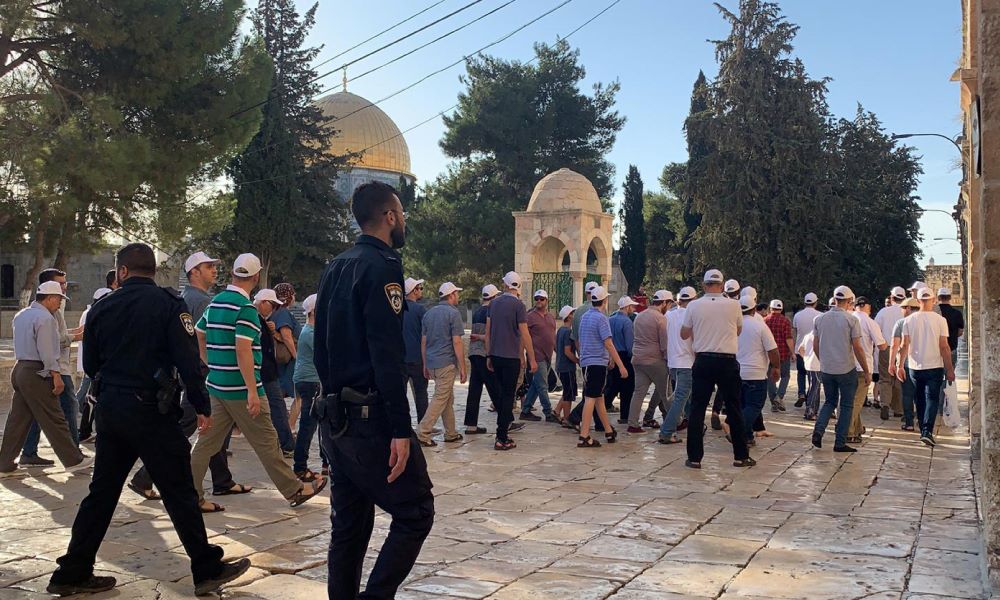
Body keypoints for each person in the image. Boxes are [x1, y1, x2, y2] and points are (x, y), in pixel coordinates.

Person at [46, 243, 249, 596]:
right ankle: (206, 568)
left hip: (111, 410)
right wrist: (201, 406)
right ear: (152, 271)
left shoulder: (101, 308)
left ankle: (72, 571)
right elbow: (188, 362)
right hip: (152, 411)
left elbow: (91, 365)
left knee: (102, 493)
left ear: (122, 271)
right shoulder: (170, 306)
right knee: (180, 491)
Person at [314, 181, 434, 599]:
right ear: (389, 216)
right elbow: (386, 351)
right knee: (416, 513)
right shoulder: (382, 264)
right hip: (369, 420)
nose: (403, 220)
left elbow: (324, 346)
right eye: (400, 213)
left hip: (334, 420)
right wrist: (400, 429)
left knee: (348, 528)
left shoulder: (335, 266)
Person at [189, 254, 326, 512]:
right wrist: (252, 390)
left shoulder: (216, 302)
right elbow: (243, 350)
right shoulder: (245, 309)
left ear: (233, 275)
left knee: (205, 443)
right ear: (255, 277)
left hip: (217, 387)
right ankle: (294, 490)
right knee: (268, 443)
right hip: (242, 390)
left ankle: (191, 496)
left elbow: (200, 332)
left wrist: (211, 362)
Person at [128, 253, 249, 501]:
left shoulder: (187, 298)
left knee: (213, 427)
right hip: (201, 374)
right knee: (186, 426)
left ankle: (222, 479)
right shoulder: (202, 302)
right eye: (208, 267)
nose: (214, 270)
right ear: (194, 271)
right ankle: (144, 477)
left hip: (193, 373)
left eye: (215, 266)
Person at [0, 281, 90, 476]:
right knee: (54, 417)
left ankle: (4, 464)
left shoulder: (21, 315)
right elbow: (47, 351)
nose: (60, 303)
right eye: (58, 299)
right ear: (50, 298)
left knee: (17, 419)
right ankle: (73, 460)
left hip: (20, 368)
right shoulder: (46, 318)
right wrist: (55, 375)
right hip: (37, 371)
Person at [681, 270, 753, 468]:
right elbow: (738, 330)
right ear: (721, 286)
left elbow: (684, 334)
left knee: (697, 408)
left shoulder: (694, 305)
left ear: (704, 286)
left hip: (703, 360)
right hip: (727, 360)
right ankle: (741, 455)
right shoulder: (733, 305)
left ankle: (694, 458)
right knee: (734, 407)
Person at [21, 268, 80, 466]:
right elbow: (51, 344)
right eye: (60, 285)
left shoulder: (30, 313)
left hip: (36, 369)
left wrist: (73, 333)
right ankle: (74, 454)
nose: (64, 291)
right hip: (54, 368)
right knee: (66, 412)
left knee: (33, 414)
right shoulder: (47, 314)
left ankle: (26, 453)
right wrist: (77, 336)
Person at [811, 286, 871, 453]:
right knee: (846, 405)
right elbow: (858, 348)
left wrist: (823, 360)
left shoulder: (820, 319)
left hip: (827, 368)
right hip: (846, 368)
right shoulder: (851, 320)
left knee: (829, 402)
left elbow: (815, 344)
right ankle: (840, 442)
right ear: (850, 301)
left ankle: (818, 431)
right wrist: (866, 370)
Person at [486, 271, 537, 451]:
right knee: (509, 395)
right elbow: (524, 333)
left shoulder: (494, 303)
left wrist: (489, 354)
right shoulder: (519, 306)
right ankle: (502, 436)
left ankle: (502, 430)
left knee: (501, 394)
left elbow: (489, 331)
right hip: (511, 357)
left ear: (505, 285)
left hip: (496, 355)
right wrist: (531, 358)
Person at [898, 287, 955, 446]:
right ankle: (927, 430)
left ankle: (923, 427)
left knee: (919, 398)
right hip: (934, 365)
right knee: (932, 398)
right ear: (933, 300)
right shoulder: (940, 320)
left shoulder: (908, 320)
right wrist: (949, 368)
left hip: (915, 366)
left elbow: (904, 345)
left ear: (918, 300)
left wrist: (900, 365)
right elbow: (944, 346)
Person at [417, 282, 467, 447]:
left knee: (447, 398)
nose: (458, 296)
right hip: (446, 362)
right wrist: (463, 367)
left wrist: (425, 364)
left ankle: (451, 433)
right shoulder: (453, 314)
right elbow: (457, 342)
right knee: (440, 398)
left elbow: (423, 342)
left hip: (432, 362)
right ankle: (423, 432)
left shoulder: (429, 314)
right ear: (451, 295)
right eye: (457, 293)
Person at [577, 286, 626, 447]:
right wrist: (621, 366)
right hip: (597, 363)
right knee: (591, 398)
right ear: (605, 301)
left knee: (599, 398)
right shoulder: (601, 318)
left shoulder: (585, 316)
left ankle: (608, 431)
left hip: (586, 363)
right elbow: (609, 343)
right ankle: (584, 435)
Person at [255, 289, 296, 455]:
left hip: (265, 372)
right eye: (272, 305)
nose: (273, 310)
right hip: (264, 373)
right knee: (277, 407)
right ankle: (287, 445)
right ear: (263, 303)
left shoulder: (262, 320)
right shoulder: (254, 319)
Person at [736, 295, 781, 446]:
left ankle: (747, 437)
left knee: (743, 405)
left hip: (736, 372)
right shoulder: (760, 326)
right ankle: (736, 428)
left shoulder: (732, 326)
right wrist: (776, 367)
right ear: (754, 309)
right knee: (754, 406)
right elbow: (773, 350)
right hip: (756, 373)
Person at [292, 293, 327, 480]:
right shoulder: (310, 333)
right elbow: (326, 355)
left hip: (310, 381)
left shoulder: (311, 331)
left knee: (321, 422)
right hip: (310, 382)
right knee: (308, 425)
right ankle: (300, 466)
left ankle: (325, 461)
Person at [627, 290, 671, 433]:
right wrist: (668, 360)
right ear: (664, 303)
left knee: (638, 392)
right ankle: (675, 421)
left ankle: (633, 423)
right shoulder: (660, 319)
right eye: (669, 304)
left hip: (638, 359)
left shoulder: (640, 316)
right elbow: (664, 344)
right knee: (666, 393)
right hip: (655, 360)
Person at [846, 297, 887, 443]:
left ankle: (857, 429)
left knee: (850, 399)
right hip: (862, 366)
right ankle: (848, 432)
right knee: (857, 402)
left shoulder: (848, 318)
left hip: (846, 365)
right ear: (866, 306)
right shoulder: (869, 322)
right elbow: (881, 345)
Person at [659, 286, 696, 444]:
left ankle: (693, 424)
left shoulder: (669, 315)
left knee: (683, 396)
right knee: (681, 398)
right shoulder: (692, 316)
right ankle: (667, 431)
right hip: (687, 362)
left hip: (673, 362)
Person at [77, 287, 113, 443]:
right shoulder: (97, 315)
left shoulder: (96, 313)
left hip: (97, 367)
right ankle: (86, 432)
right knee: (92, 400)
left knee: (92, 399)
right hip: (99, 368)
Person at [465, 284, 501, 435]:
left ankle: (471, 425)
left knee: (474, 389)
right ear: (493, 297)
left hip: (473, 353)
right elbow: (489, 336)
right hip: (484, 354)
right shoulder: (491, 312)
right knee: (495, 388)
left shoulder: (477, 311)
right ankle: (507, 419)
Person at [521, 289, 559, 422]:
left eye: (541, 299)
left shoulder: (550, 317)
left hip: (548, 356)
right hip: (536, 355)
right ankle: (548, 412)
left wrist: (557, 351)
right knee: (543, 385)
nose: (538, 301)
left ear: (546, 301)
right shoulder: (530, 317)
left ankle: (526, 410)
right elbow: (523, 336)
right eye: (536, 298)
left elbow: (552, 337)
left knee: (536, 385)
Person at [874, 286, 907, 421]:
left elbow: (876, 330)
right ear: (903, 298)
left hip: (886, 347)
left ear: (891, 297)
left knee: (885, 378)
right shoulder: (906, 312)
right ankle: (898, 409)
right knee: (899, 378)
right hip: (902, 348)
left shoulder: (883, 312)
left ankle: (885, 404)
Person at [889, 298, 921, 431]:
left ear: (908, 308)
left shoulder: (901, 323)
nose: (901, 311)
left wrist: (892, 363)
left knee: (907, 394)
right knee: (921, 394)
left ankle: (909, 422)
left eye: (902, 308)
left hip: (906, 364)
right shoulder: (924, 321)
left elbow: (895, 345)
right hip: (923, 364)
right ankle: (921, 420)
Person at [605, 296, 639, 420]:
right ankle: (625, 416)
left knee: (613, 385)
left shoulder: (610, 319)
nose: (633, 308)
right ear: (627, 307)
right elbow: (629, 344)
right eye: (632, 306)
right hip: (624, 356)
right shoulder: (627, 322)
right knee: (627, 388)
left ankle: (602, 407)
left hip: (612, 355)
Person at [402, 277, 429, 422]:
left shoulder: (397, 309)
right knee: (421, 394)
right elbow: (426, 334)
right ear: (414, 291)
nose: (421, 291)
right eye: (420, 288)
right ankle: (423, 424)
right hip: (417, 358)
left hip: (401, 359)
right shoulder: (420, 310)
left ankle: (403, 424)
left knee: (401, 394)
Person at [792, 292, 821, 408]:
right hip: (814, 349)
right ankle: (811, 395)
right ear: (816, 302)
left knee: (801, 373)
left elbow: (794, 332)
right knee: (813, 376)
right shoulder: (819, 315)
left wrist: (794, 348)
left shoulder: (798, 315)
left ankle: (801, 393)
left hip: (800, 348)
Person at [763, 299, 793, 413]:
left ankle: (774, 403)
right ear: (781, 309)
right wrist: (793, 352)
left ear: (770, 308)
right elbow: (788, 338)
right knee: (785, 376)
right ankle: (779, 397)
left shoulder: (765, 320)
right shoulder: (785, 321)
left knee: (770, 378)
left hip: (768, 354)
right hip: (783, 354)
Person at [272, 282, 299, 400]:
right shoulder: (283, 312)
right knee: (297, 397)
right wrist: (297, 357)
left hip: (283, 361)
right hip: (288, 361)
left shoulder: (276, 312)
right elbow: (286, 335)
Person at [554, 305, 578, 426]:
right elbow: (567, 351)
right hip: (567, 367)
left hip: (559, 365)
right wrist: (578, 360)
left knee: (566, 391)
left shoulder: (560, 331)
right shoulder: (568, 332)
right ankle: (567, 418)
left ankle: (557, 410)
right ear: (569, 316)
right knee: (569, 394)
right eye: (573, 313)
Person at [796, 329, 822, 420]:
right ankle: (810, 411)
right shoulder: (819, 336)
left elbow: (800, 349)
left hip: (809, 364)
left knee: (814, 387)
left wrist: (806, 358)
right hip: (817, 364)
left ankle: (812, 410)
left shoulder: (808, 335)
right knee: (814, 388)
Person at [937, 288, 965, 355]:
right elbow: (960, 332)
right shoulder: (957, 313)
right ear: (950, 297)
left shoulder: (934, 312)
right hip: (951, 348)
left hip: (936, 349)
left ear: (938, 298)